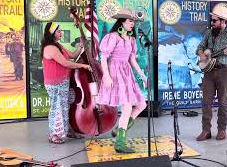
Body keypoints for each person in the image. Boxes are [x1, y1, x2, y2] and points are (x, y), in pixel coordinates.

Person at [96, 8, 147, 153]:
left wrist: (142, 76)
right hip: (114, 71)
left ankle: (119, 129)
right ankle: (120, 143)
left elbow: (132, 60)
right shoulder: (112, 37)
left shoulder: (131, 39)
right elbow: (104, 57)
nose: (133, 24)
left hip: (126, 72)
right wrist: (106, 75)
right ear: (122, 22)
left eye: (134, 22)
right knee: (127, 106)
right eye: (130, 21)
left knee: (142, 104)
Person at [41, 22, 92, 144]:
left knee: (67, 104)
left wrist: (80, 46)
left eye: (61, 31)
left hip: (64, 82)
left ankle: (68, 129)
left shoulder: (58, 45)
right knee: (57, 107)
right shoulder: (50, 48)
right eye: (59, 31)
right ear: (52, 33)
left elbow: (73, 55)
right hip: (55, 83)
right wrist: (83, 66)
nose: (61, 33)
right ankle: (54, 135)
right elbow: (65, 63)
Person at [196, 3, 227, 141]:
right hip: (208, 72)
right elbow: (200, 47)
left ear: (223, 21)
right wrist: (202, 54)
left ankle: (221, 130)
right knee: (206, 102)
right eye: (212, 20)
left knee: (222, 102)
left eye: (215, 20)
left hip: (223, 71)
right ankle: (206, 130)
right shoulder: (209, 32)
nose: (212, 23)